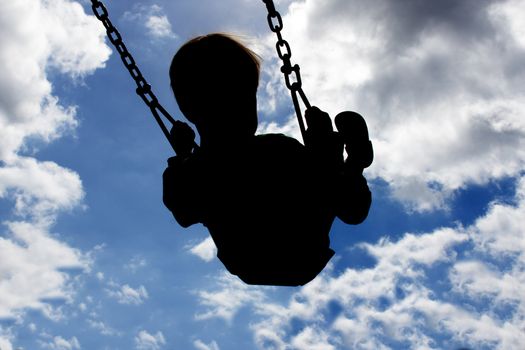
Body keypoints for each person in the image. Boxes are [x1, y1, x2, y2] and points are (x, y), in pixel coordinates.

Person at [162, 33, 372, 286]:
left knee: (320, 173)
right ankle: (345, 161)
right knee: (323, 172)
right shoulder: (273, 150)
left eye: (247, 98)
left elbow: (183, 210)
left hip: (272, 253)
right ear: (192, 110)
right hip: (291, 249)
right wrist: (183, 157)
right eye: (233, 101)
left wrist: (183, 155)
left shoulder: (197, 168)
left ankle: (338, 161)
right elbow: (184, 209)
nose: (244, 109)